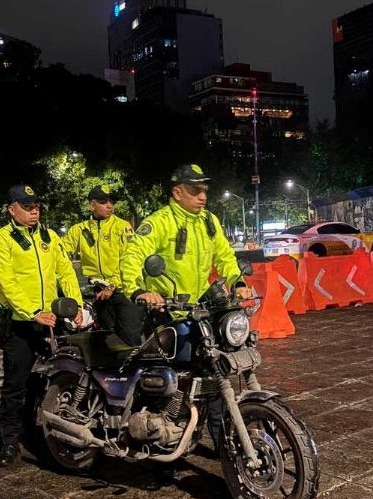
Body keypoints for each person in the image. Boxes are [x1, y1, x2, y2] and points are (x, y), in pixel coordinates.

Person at [119, 163, 251, 446]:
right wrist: (139, 290)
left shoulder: (208, 221)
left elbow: (225, 256)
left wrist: (236, 281)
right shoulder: (159, 221)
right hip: (165, 312)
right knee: (167, 383)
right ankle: (154, 439)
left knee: (215, 371)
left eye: (204, 190)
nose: (202, 196)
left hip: (201, 310)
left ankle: (221, 442)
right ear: (177, 192)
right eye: (195, 190)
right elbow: (132, 256)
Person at [0, 184, 83, 468]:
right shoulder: (1, 240)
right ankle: (9, 441)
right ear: (11, 209)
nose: (33, 211)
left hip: (50, 322)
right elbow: (7, 282)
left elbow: (65, 272)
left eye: (36, 206)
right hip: (19, 324)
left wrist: (75, 305)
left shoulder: (50, 237)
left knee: (47, 381)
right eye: (26, 206)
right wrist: (32, 312)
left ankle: (37, 431)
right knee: (15, 384)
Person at [63, 185, 142, 346]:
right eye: (103, 202)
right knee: (107, 339)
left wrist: (112, 286)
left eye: (111, 201)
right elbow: (60, 251)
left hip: (125, 291)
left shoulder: (122, 227)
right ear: (92, 206)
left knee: (130, 340)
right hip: (100, 293)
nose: (109, 205)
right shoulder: (79, 230)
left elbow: (130, 259)